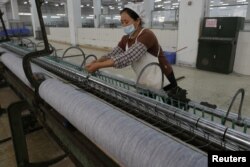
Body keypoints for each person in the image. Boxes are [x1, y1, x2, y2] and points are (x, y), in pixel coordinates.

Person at [86, 3, 182, 95]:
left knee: (171, 106)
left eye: (126, 22)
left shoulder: (147, 35)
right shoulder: (126, 39)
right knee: (148, 106)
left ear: (137, 20)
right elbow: (113, 54)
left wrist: (99, 66)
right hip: (145, 78)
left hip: (163, 76)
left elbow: (128, 57)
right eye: (122, 22)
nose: (124, 25)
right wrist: (97, 61)